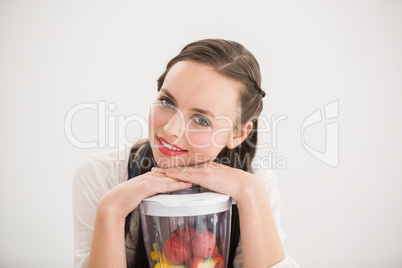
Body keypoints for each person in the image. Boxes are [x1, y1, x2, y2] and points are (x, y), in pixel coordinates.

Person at [73, 39, 299, 268]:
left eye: (201, 120)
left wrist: (250, 193)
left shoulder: (253, 185)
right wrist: (111, 210)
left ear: (238, 134)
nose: (171, 130)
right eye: (167, 102)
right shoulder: (102, 175)